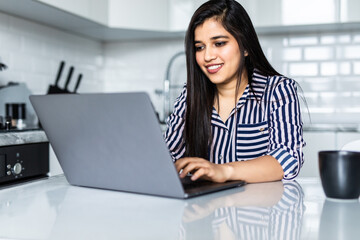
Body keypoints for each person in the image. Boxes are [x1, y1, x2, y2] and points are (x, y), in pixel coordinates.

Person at [164, 0, 305, 183]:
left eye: (219, 43)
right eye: (200, 47)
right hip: (204, 209)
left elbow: (287, 159)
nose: (207, 56)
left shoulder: (278, 91)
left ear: (245, 46)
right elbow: (167, 156)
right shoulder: (189, 97)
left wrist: (223, 171)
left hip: (263, 210)